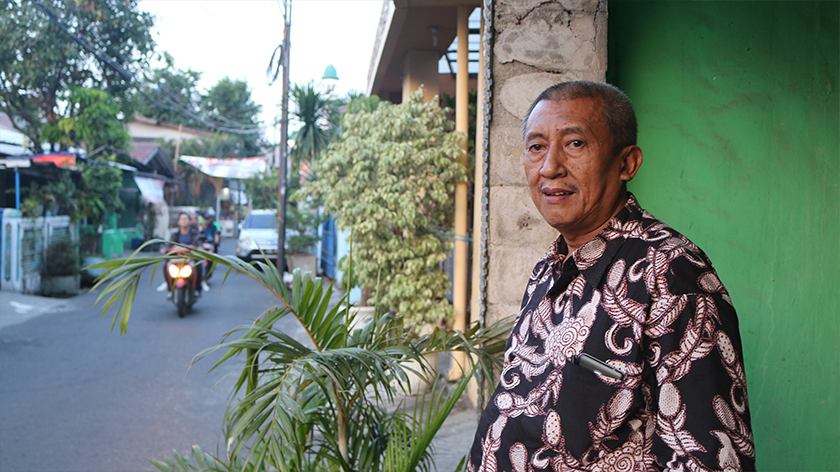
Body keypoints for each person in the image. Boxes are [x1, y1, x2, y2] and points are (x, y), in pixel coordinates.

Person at [467, 81, 755, 472]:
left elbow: (712, 460)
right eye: (536, 147)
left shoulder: (672, 273)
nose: (550, 166)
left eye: (575, 144)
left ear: (627, 164)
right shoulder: (547, 269)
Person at [159, 212, 209, 296]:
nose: (184, 221)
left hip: (190, 258)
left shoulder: (194, 234)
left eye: (186, 219)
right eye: (182, 219)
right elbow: (169, 245)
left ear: (189, 221)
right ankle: (168, 286)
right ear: (178, 222)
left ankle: (198, 286)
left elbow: (199, 243)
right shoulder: (175, 235)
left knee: (199, 264)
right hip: (177, 259)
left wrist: (199, 247)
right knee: (166, 265)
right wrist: (164, 249)